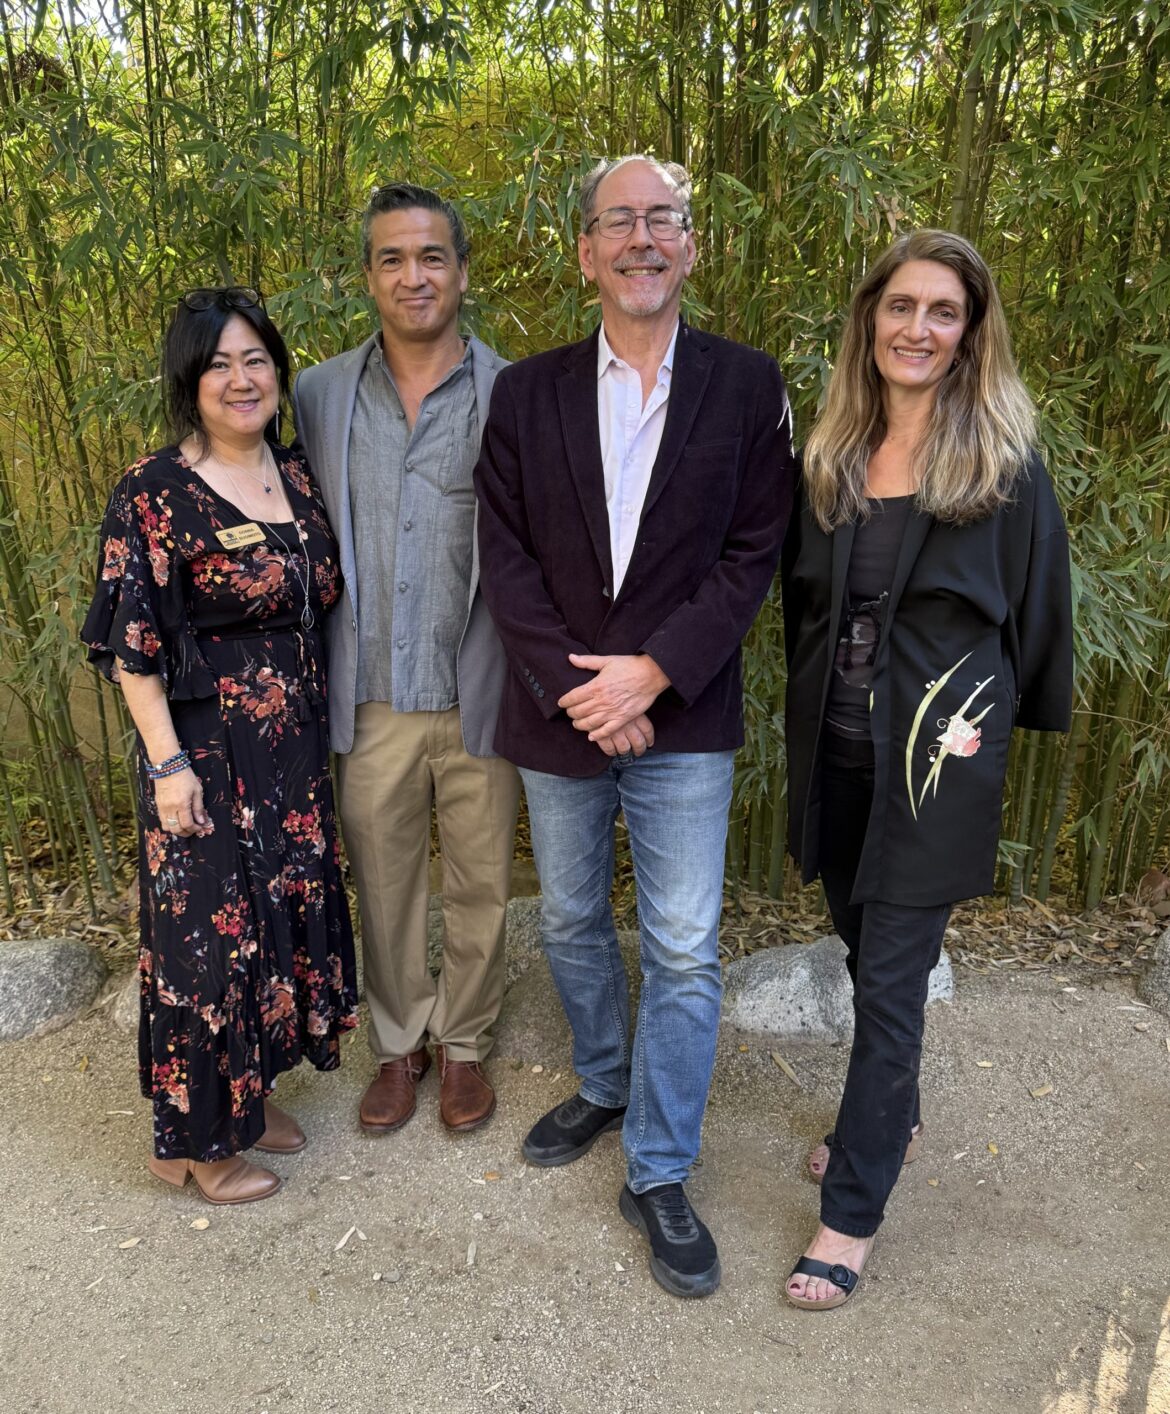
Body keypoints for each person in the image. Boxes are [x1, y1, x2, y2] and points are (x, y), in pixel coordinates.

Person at [474, 155, 796, 1298]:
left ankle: (658, 1167)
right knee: (567, 919)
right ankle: (604, 1081)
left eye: (663, 219)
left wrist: (653, 674)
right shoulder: (526, 392)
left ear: (691, 244)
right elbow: (504, 557)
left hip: (686, 715)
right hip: (560, 715)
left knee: (681, 948)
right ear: (586, 252)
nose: (643, 239)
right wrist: (585, 687)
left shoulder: (749, 386)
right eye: (620, 221)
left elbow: (756, 552)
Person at [780, 229, 1073, 1308]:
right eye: (901, 306)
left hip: (937, 765)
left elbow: (1043, 613)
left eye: (942, 312)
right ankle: (889, 1111)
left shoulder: (1001, 466)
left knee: (894, 983)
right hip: (841, 755)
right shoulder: (833, 454)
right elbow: (802, 609)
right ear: (870, 318)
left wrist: (1002, 739)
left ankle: (851, 1214)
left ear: (970, 332)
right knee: (863, 952)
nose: (918, 328)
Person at [82, 288, 359, 1204]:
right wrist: (166, 766)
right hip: (204, 752)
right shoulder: (153, 491)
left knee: (272, 926)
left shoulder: (296, 473)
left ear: (277, 369)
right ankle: (194, 1144)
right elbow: (130, 647)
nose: (242, 380)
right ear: (189, 381)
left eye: (255, 360)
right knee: (207, 944)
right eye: (219, 366)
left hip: (290, 753)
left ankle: (248, 1098)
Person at [293, 183, 519, 1136]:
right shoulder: (316, 394)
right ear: (369, 277)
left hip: (482, 686)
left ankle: (463, 1044)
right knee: (381, 878)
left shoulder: (518, 391)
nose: (413, 274)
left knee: (482, 879)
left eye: (431, 256)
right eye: (393, 258)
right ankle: (398, 1042)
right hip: (372, 688)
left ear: (461, 270)